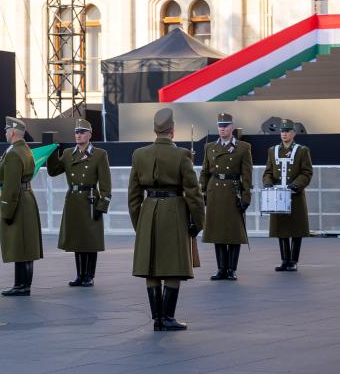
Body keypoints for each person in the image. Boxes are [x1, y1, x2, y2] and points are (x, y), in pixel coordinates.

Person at [128, 108, 204, 331]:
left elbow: (133, 196)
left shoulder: (139, 154)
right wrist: (197, 223)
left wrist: (139, 224)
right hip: (174, 213)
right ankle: (168, 317)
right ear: (172, 131)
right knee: (173, 266)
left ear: (155, 129)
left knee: (151, 267)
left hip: (149, 212)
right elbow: (194, 194)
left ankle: (157, 319)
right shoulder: (182, 155)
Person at [45, 118, 111, 287]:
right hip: (74, 200)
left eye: (82, 132)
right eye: (76, 132)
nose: (78, 135)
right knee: (77, 239)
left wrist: (102, 205)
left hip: (90, 200)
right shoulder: (68, 153)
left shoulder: (99, 154)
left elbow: (105, 184)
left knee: (90, 240)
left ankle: (89, 276)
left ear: (90, 134)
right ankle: (80, 275)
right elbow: (53, 172)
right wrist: (52, 153)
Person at [199, 112, 252, 280]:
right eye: (220, 126)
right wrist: (203, 192)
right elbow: (205, 172)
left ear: (232, 127)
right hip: (215, 191)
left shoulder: (243, 147)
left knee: (234, 232)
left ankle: (232, 269)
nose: (222, 129)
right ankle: (221, 268)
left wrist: (245, 197)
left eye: (226, 126)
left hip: (232, 191)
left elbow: (247, 175)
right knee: (218, 231)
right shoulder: (210, 147)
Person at [0, 117, 42, 297]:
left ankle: (21, 286)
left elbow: (11, 185)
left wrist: (5, 209)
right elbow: (8, 163)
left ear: (13, 132)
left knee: (19, 244)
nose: (6, 133)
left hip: (17, 201)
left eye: (7, 130)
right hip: (26, 199)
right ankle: (22, 284)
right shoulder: (23, 149)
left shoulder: (14, 153)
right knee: (25, 246)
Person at [263, 119, 313, 271]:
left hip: (294, 195)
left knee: (296, 228)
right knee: (281, 228)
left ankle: (294, 260)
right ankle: (285, 259)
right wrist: (268, 182)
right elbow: (268, 171)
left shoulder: (302, 150)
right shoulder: (273, 150)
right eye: (282, 131)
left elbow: (307, 172)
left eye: (287, 131)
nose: (284, 134)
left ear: (293, 133)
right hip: (278, 196)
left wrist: (296, 185)